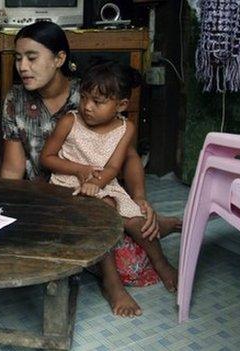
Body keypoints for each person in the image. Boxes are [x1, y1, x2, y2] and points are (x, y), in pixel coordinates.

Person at [0, 22, 180, 313]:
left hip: (102, 189)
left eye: (32, 58)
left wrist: (141, 199)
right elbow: (11, 169)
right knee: (109, 254)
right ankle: (159, 228)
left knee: (129, 239)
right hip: (55, 197)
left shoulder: (90, 92)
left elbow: (128, 157)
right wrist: (8, 215)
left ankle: (157, 224)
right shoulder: (16, 99)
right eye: (18, 58)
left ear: (59, 59)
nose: (22, 66)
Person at [40, 59, 178, 317]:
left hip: (106, 184)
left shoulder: (126, 128)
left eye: (98, 102)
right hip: (68, 185)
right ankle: (111, 284)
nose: (87, 107)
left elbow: (114, 167)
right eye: (84, 98)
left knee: (138, 221)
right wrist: (81, 171)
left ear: (121, 105)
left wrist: (98, 182)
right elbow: (47, 157)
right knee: (102, 216)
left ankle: (163, 264)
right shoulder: (70, 121)